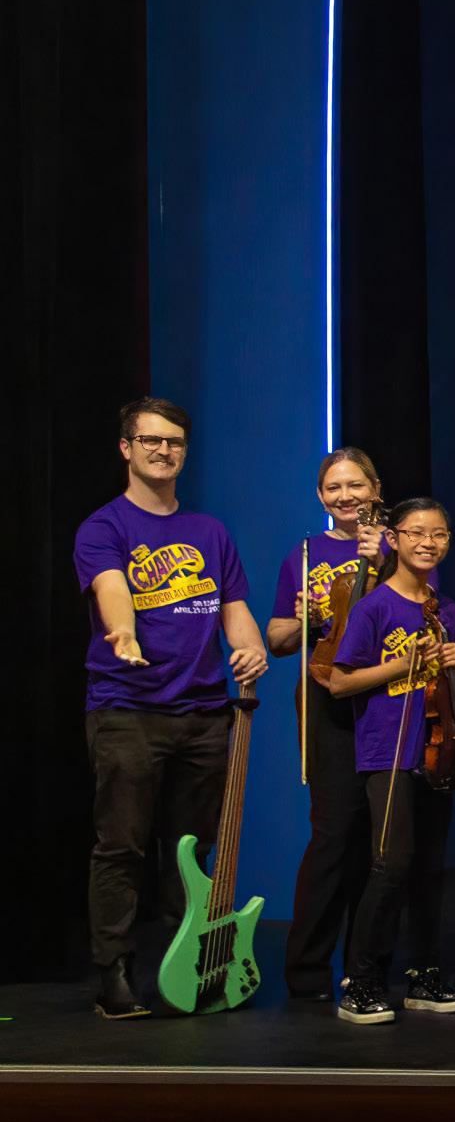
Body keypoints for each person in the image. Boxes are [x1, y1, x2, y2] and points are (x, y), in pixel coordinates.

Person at [76, 399, 268, 1020]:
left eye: (175, 442)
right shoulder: (104, 527)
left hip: (204, 714)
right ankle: (115, 973)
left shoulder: (210, 531)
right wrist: (124, 632)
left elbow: (233, 607)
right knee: (123, 847)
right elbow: (112, 587)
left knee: (191, 851)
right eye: (151, 441)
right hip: (127, 710)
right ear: (126, 448)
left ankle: (188, 966)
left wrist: (250, 649)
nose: (164, 451)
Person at [325, 498, 455, 1025]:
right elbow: (338, 681)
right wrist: (400, 665)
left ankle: (423, 974)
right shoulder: (374, 607)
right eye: (416, 533)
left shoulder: (446, 609)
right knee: (392, 865)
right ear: (394, 539)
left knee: (430, 870)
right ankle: (361, 981)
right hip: (388, 751)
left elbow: (447, 687)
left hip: (436, 751)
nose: (428, 543)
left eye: (439, 534)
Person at [266, 448, 384, 1002]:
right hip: (324, 694)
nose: (345, 496)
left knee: (379, 840)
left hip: (386, 694)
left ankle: (366, 967)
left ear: (375, 489)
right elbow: (277, 638)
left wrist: (386, 563)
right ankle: (308, 970)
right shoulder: (306, 553)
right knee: (334, 832)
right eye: (333, 488)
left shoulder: (398, 544)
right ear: (320, 496)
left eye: (355, 485)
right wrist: (304, 618)